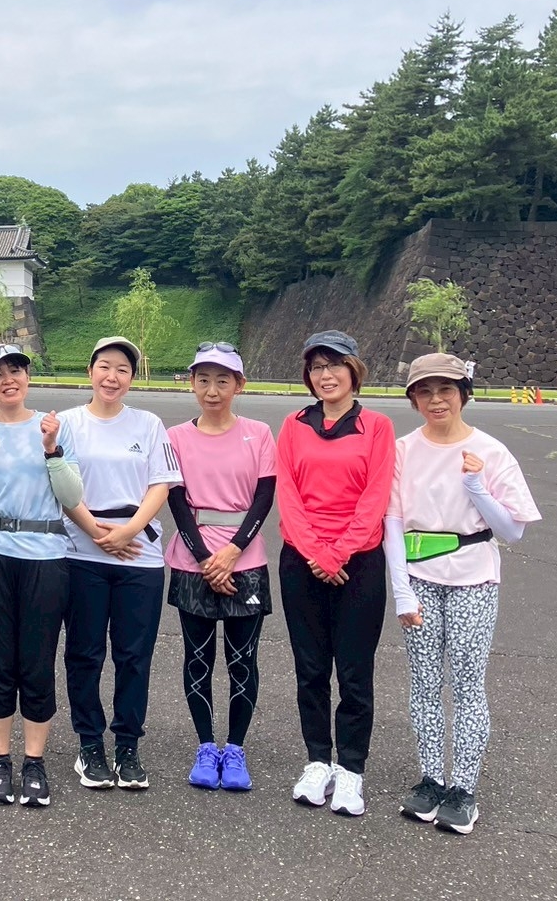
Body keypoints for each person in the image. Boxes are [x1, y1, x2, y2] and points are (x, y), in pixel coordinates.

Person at [384, 353, 541, 835]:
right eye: (425, 391)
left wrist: (476, 486)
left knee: (469, 683)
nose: (436, 400)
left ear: (463, 395)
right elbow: (392, 522)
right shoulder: (402, 450)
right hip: (419, 578)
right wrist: (401, 592)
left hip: (473, 577)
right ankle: (432, 779)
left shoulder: (491, 451)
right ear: (413, 399)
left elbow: (511, 531)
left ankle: (463, 790)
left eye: (446, 390)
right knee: (424, 683)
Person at [0, 343, 84, 808]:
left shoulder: (51, 426)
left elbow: (72, 496)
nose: (8, 380)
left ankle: (34, 761)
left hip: (46, 555)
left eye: (16, 371)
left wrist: (52, 450)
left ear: (27, 378)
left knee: (37, 659)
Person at [276, 330, 394, 817]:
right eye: (317, 367)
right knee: (310, 668)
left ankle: (351, 769)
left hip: (358, 563)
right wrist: (315, 553)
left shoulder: (377, 426)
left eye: (335, 365)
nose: (326, 375)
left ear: (353, 370)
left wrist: (339, 553)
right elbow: (288, 493)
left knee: (354, 671)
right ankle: (317, 760)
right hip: (302, 561)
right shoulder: (293, 425)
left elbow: (375, 497)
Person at [61, 337, 182, 792]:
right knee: (85, 652)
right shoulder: (67, 423)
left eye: (122, 370)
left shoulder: (148, 424)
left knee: (134, 655)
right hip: (80, 553)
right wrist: (97, 532)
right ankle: (90, 744)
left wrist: (128, 531)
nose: (112, 377)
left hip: (140, 557)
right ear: (90, 371)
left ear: (132, 377)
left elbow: (161, 484)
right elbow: (60, 484)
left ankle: (128, 745)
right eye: (104, 367)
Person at [164, 343, 276, 792]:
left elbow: (264, 498)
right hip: (193, 561)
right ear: (192, 383)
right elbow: (175, 499)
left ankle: (236, 749)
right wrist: (204, 557)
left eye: (222, 381)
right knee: (198, 658)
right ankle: (206, 746)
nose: (212, 390)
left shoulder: (259, 433)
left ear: (239, 385)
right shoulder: (175, 437)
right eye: (204, 380)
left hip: (245, 561)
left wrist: (231, 552)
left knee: (242, 660)